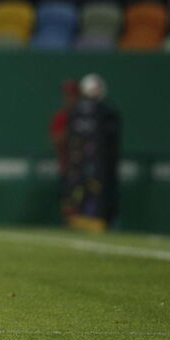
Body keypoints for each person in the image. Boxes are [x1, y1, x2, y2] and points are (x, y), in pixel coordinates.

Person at [64, 73, 121, 232]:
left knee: (82, 190)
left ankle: (82, 218)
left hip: (81, 162)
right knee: (92, 191)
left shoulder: (77, 111)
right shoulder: (106, 110)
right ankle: (91, 218)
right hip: (97, 164)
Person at [48, 79, 78, 222]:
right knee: (67, 202)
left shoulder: (86, 117)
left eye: (71, 95)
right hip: (67, 166)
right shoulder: (61, 117)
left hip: (85, 168)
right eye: (66, 95)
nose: (68, 99)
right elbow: (56, 139)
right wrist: (71, 130)